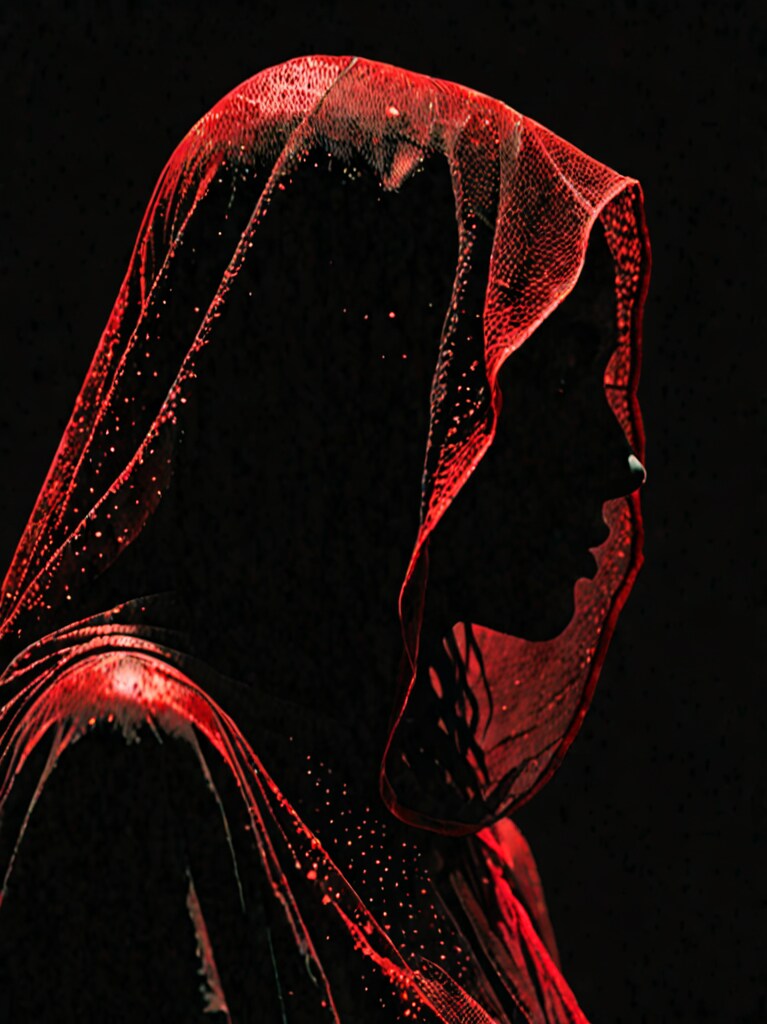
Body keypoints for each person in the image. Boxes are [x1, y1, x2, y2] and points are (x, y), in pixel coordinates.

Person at [0, 55, 649, 1022]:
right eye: (550, 375)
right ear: (364, 376)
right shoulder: (135, 753)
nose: (620, 460)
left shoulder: (468, 842)